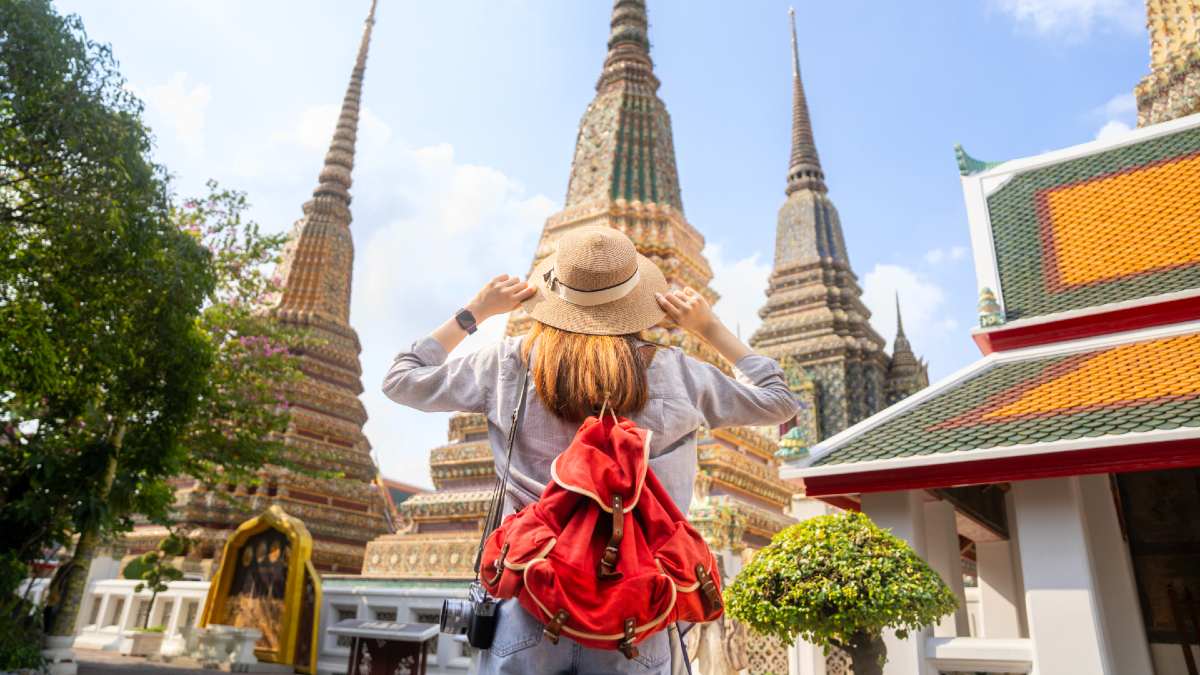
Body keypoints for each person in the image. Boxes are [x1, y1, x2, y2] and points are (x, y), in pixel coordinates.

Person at [383, 226, 798, 675]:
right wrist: (709, 328)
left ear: (553, 294)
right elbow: (778, 401)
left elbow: (401, 379)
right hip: (636, 617)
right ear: (639, 300)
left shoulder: (508, 363)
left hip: (530, 600)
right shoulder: (679, 373)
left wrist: (476, 311)